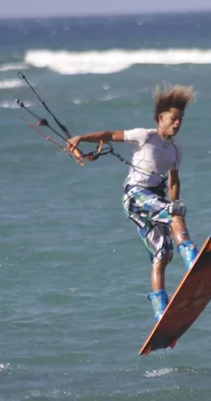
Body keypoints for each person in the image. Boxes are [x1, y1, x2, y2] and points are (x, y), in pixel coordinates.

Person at [66, 84, 198, 321]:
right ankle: (192, 260)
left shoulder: (176, 151)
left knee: (163, 254)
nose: (178, 124)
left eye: (181, 120)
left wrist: (173, 206)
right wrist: (81, 138)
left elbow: (174, 181)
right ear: (161, 118)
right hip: (136, 195)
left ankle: (160, 308)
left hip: (154, 198)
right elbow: (109, 136)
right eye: (174, 119)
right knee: (175, 213)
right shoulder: (145, 136)